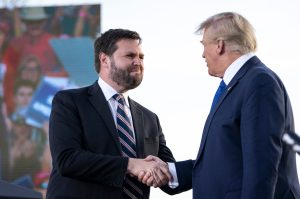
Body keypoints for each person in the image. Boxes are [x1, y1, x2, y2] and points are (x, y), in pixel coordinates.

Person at [140, 12, 300, 198]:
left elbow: (261, 165)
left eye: (203, 45)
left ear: (219, 45)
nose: (202, 54)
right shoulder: (240, 84)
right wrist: (171, 172)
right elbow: (226, 162)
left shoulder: (258, 82)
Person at [46, 29, 184, 199]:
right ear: (104, 59)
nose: (138, 62)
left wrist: (211, 165)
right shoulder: (70, 101)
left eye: (141, 57)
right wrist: (130, 165)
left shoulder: (150, 119)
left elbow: (169, 175)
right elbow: (67, 160)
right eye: (130, 56)